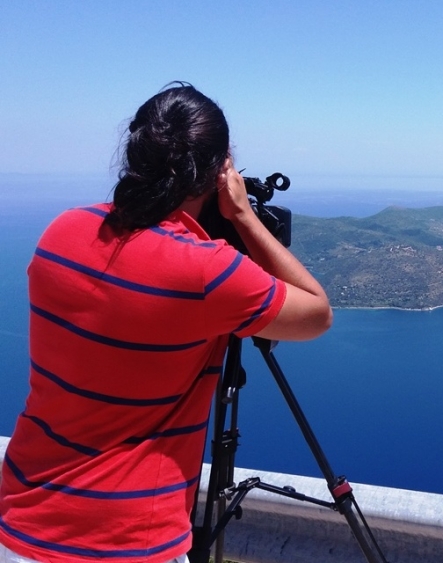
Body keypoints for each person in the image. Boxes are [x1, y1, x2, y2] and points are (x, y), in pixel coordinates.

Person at [0, 83, 333, 563]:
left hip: (19, 520)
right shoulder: (206, 272)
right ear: (219, 171)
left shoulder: (61, 231)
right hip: (127, 540)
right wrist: (242, 216)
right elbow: (317, 314)